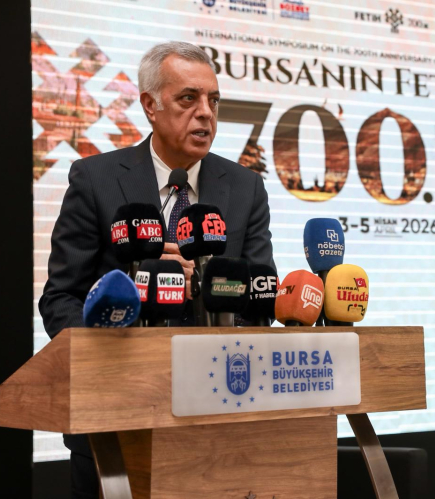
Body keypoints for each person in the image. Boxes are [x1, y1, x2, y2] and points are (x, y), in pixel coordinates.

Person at [38, 41, 275, 499]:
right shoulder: (96, 179)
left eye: (213, 100)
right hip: (114, 426)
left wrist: (203, 288)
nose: (205, 113)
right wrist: (125, 327)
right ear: (150, 105)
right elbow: (60, 299)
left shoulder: (246, 188)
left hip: (218, 424)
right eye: (188, 98)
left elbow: (259, 299)